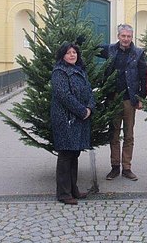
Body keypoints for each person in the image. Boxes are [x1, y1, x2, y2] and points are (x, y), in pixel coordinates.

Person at [99, 24, 147, 181]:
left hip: (129, 100)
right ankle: (115, 167)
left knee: (128, 135)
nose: (126, 39)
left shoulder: (138, 53)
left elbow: (144, 77)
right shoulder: (110, 50)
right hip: (112, 99)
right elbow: (90, 48)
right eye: (123, 36)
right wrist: (77, 37)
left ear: (131, 37)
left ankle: (127, 168)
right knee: (113, 134)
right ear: (118, 36)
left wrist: (141, 98)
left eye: (128, 36)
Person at [51, 42, 95, 205]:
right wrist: (82, 111)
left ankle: (73, 189)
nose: (72, 55)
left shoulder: (80, 70)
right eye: (69, 52)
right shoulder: (59, 72)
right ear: (63, 55)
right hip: (65, 119)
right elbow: (63, 95)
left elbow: (89, 91)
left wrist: (90, 107)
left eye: (74, 52)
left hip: (79, 118)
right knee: (65, 155)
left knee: (74, 153)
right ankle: (63, 193)